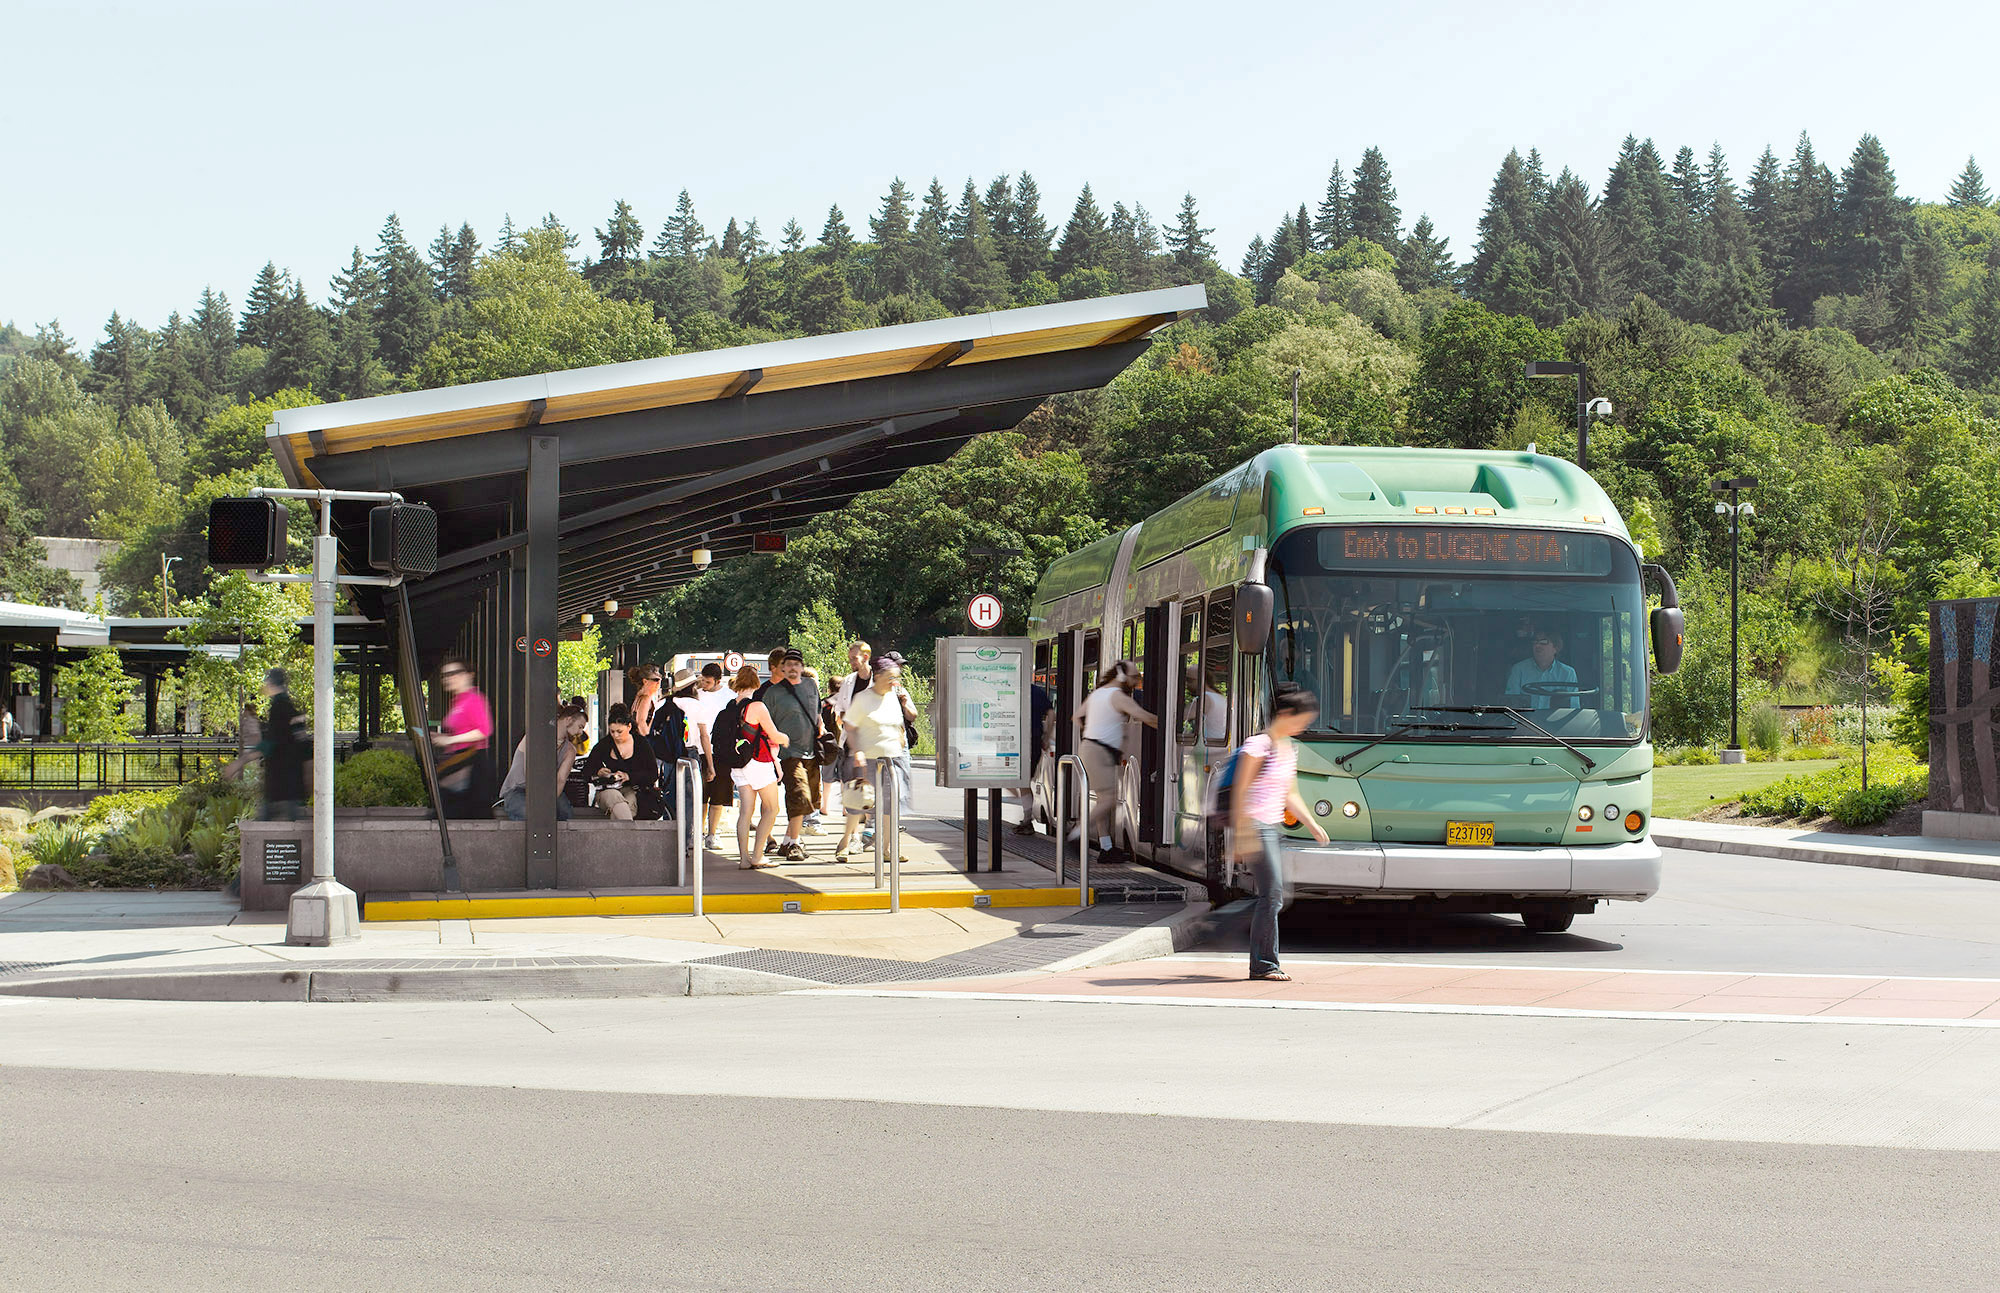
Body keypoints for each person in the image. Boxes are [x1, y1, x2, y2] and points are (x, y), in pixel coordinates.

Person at [1231, 682, 1329, 982]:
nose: (1303, 727)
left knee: (1274, 896)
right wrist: (1242, 833)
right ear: (1286, 713)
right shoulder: (1258, 745)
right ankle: (1263, 965)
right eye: (1302, 721)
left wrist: (1313, 825)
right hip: (1255, 825)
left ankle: (1263, 960)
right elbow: (1240, 791)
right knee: (1272, 895)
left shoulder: (1288, 748)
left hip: (1272, 827)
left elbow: (1290, 794)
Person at [1074, 660, 1156, 864]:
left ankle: (1107, 848)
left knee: (1104, 800)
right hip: (1099, 751)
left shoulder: (1098, 693)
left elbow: (1076, 717)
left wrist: (1092, 731)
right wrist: (1171, 723)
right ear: (1122, 676)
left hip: (1092, 748)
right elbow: (1144, 717)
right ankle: (1076, 835)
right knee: (1108, 800)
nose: (1137, 681)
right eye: (1135, 677)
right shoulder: (1117, 696)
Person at [842, 655, 912, 863]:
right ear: (878, 676)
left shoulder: (892, 697)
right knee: (859, 804)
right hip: (868, 759)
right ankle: (845, 843)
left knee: (892, 806)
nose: (894, 682)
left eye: (896, 677)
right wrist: (858, 751)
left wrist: (900, 744)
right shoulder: (863, 698)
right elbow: (850, 726)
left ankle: (887, 848)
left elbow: (899, 723)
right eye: (890, 677)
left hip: (892, 760)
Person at [758, 648, 823, 861]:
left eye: (797, 664)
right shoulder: (773, 694)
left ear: (802, 668)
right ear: (783, 669)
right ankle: (795, 844)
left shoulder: (811, 686)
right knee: (799, 795)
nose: (793, 668)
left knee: (810, 800)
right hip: (787, 753)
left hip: (811, 751)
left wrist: (821, 728)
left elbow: (818, 712)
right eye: (789, 664)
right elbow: (763, 724)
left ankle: (786, 842)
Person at [724, 664, 788, 866]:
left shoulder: (730, 706)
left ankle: (744, 859)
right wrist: (786, 738)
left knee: (745, 812)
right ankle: (758, 855)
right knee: (771, 808)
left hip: (738, 764)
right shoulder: (757, 707)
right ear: (756, 683)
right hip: (758, 762)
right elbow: (774, 734)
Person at [500, 699, 589, 821]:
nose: (580, 732)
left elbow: (560, 779)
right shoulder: (535, 735)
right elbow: (529, 771)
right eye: (580, 727)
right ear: (568, 720)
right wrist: (541, 803)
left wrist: (548, 803)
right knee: (528, 813)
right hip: (519, 789)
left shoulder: (570, 750)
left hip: (548, 790)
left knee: (565, 812)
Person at [431, 658, 494, 819]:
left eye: (453, 673)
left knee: (456, 813)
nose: (448, 678)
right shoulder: (457, 701)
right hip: (459, 762)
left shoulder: (474, 699)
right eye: (445, 675)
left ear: (468, 675)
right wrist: (443, 737)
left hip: (472, 764)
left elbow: (484, 730)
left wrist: (449, 740)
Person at [680, 662, 732, 851]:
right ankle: (698, 832)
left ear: (718, 681)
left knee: (718, 796)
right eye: (702, 680)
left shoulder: (729, 696)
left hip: (720, 750)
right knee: (700, 794)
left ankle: (712, 833)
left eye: (708, 682)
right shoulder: (696, 695)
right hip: (700, 750)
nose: (704, 684)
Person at [580, 703, 659, 821]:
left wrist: (628, 776)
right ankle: (631, 835)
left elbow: (653, 774)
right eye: (612, 731)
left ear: (629, 727)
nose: (615, 735)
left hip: (633, 790)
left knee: (626, 806)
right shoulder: (604, 744)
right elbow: (586, 771)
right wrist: (599, 771)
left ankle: (619, 837)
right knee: (615, 797)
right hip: (607, 790)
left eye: (619, 731)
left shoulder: (641, 743)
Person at [257, 668, 306, 821]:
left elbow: (274, 738)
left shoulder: (279, 707)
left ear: (271, 683)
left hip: (282, 773)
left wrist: (243, 760)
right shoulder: (286, 705)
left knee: (270, 818)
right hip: (289, 775)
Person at [1012, 678, 1054, 835]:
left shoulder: (1010, 691)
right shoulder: (1036, 691)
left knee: (1021, 781)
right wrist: (1047, 736)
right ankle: (1026, 816)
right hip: (1034, 741)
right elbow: (1051, 712)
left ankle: (1027, 819)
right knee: (1023, 780)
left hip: (1016, 741)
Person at [1504, 628, 1579, 710]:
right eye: (1535, 642)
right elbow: (1511, 707)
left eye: (1543, 642)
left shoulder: (1568, 673)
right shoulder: (1518, 669)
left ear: (1556, 648)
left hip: (1556, 722)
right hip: (1524, 721)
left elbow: (1573, 709)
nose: (1537, 645)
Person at [222, 702, 262, 781]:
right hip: (248, 748)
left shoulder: (251, 721)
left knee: (247, 769)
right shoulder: (248, 720)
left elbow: (255, 735)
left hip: (250, 749)